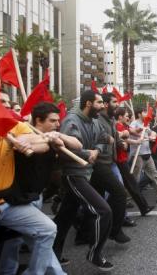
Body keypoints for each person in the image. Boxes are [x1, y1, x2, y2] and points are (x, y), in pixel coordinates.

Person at [0, 91, 60, 275]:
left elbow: (42, 142)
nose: (7, 106)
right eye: (1, 102)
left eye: (8, 103)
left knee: (46, 229)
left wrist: (28, 143)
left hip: (7, 201)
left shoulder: (13, 126)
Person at [0, 102, 82, 274]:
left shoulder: (54, 137)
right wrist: (44, 139)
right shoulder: (23, 130)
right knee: (14, 240)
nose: (58, 124)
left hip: (32, 198)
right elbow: (25, 142)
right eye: (53, 121)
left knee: (35, 236)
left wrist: (58, 136)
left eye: (58, 120)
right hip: (12, 199)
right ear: (38, 120)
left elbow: (77, 145)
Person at [53, 90, 114, 272]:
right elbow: (67, 148)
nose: (103, 106)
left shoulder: (95, 120)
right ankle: (94, 254)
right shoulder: (71, 121)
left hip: (86, 172)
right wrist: (89, 153)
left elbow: (104, 139)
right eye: (99, 103)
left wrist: (97, 150)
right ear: (88, 103)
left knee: (65, 217)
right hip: (73, 174)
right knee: (104, 211)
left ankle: (52, 253)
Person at [91, 92, 131, 242]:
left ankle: (86, 232)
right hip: (100, 162)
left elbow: (114, 137)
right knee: (119, 193)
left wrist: (122, 144)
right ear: (106, 104)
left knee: (102, 197)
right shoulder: (97, 120)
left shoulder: (111, 119)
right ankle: (115, 230)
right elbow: (99, 138)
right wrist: (108, 140)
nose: (117, 105)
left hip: (110, 161)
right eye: (115, 102)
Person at [115, 107, 154, 216]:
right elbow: (124, 139)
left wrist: (143, 128)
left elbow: (133, 131)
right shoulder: (118, 126)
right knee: (130, 184)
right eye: (126, 116)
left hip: (122, 159)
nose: (128, 117)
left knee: (131, 184)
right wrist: (136, 142)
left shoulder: (124, 125)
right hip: (119, 160)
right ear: (120, 117)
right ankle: (136, 209)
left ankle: (143, 207)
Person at [130, 108, 157, 203]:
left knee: (155, 175)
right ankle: (127, 199)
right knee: (135, 178)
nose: (146, 114)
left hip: (147, 154)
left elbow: (152, 132)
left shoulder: (146, 124)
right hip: (138, 155)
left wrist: (155, 135)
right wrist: (142, 132)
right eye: (144, 112)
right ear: (139, 114)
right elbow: (132, 131)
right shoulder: (134, 123)